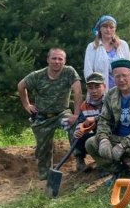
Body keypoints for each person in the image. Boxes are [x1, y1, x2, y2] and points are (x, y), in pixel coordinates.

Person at [17, 48, 83, 180]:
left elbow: (77, 91)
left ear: (64, 61)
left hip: (61, 114)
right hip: (43, 117)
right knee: (43, 149)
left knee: (75, 127)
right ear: (48, 60)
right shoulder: (38, 75)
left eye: (60, 59)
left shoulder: (69, 72)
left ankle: (80, 161)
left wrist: (76, 114)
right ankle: (45, 176)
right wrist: (26, 105)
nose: (57, 61)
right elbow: (21, 85)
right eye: (54, 58)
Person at [70, 71, 106, 172]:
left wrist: (95, 119)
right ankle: (80, 161)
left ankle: (106, 162)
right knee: (76, 133)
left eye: (97, 86)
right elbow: (80, 122)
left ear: (104, 86)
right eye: (90, 87)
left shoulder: (111, 101)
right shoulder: (85, 105)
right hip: (96, 136)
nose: (94, 91)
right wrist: (79, 129)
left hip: (112, 134)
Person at [84, 15, 130, 89]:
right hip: (99, 92)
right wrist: (94, 88)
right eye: (105, 27)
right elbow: (88, 71)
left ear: (115, 29)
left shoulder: (123, 45)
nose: (108, 30)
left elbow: (129, 67)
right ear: (100, 28)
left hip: (121, 90)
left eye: (111, 27)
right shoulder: (92, 46)